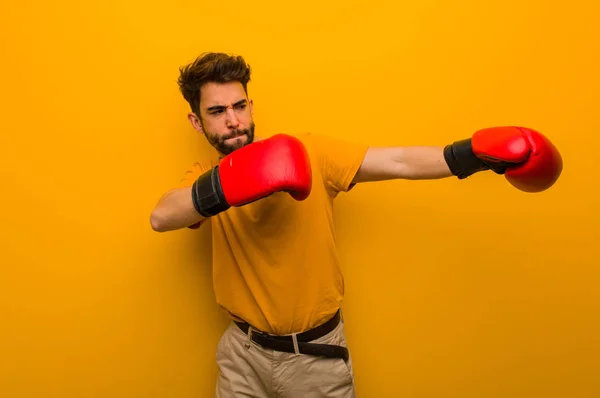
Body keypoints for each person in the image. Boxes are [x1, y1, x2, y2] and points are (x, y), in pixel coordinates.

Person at [150, 52, 563, 398]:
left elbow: (397, 162)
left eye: (240, 106)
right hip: (242, 355)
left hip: (314, 357)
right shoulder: (203, 176)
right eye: (217, 112)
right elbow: (162, 216)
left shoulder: (309, 151)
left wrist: (471, 154)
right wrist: (231, 184)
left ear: (251, 106)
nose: (233, 120)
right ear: (196, 122)